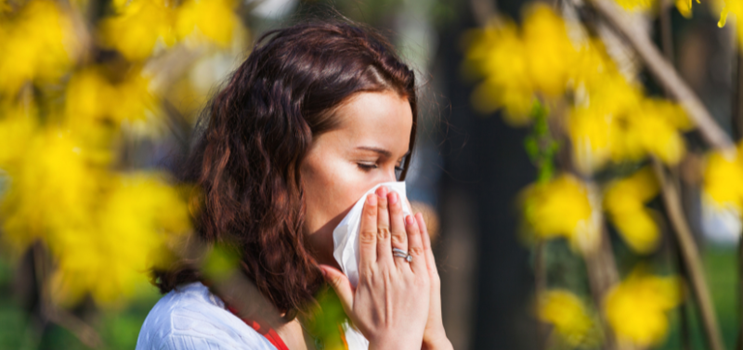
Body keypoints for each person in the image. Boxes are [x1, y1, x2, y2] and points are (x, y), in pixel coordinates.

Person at [136, 20, 453, 350]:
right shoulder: (192, 331)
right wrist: (394, 342)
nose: (393, 197)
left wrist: (432, 339)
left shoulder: (352, 319)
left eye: (398, 167)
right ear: (278, 157)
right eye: (368, 164)